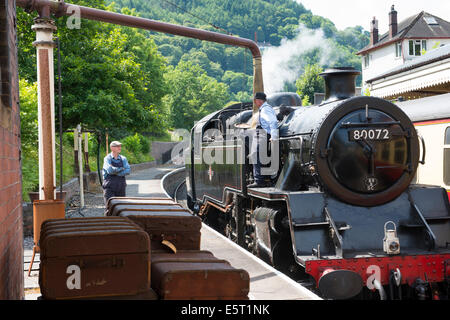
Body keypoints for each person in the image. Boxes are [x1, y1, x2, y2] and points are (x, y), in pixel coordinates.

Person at [248, 92, 279, 188]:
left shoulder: (265, 110)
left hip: (263, 135)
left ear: (259, 101)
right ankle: (261, 178)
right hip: (262, 134)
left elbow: (273, 122)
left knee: (256, 154)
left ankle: (259, 181)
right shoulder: (265, 109)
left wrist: (274, 136)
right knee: (255, 154)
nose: (255, 103)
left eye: (255, 101)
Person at [102, 140, 131, 206]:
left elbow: (128, 170)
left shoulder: (123, 158)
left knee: (121, 206)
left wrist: (115, 171)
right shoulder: (107, 158)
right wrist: (121, 168)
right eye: (117, 146)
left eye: (120, 146)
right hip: (109, 186)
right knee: (109, 207)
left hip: (121, 186)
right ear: (112, 148)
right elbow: (110, 171)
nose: (119, 148)